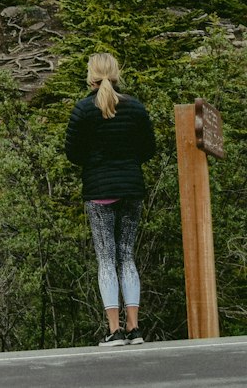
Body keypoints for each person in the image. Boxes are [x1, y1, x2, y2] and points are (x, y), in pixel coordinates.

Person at [65, 52, 156, 347]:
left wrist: (94, 163)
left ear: (90, 75)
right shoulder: (136, 108)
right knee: (126, 256)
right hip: (131, 188)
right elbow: (148, 149)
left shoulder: (82, 110)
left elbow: (72, 153)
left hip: (99, 191)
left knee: (106, 258)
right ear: (117, 73)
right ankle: (134, 328)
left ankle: (114, 330)